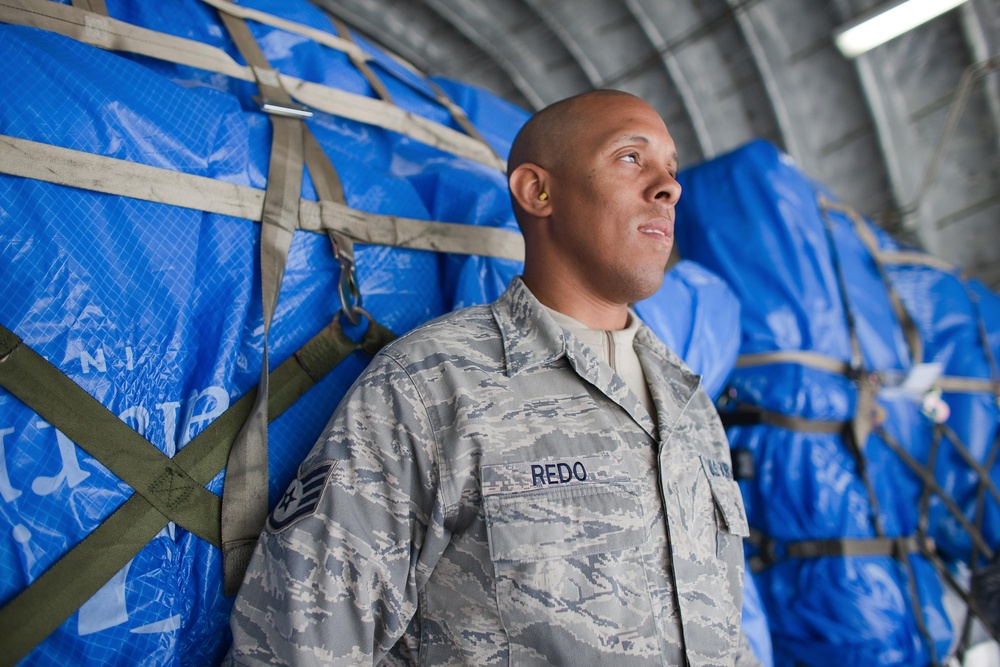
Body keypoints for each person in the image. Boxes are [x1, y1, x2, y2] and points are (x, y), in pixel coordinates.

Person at [227, 89, 758, 666]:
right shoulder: (431, 387)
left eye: (672, 170)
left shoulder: (688, 402)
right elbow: (296, 645)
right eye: (631, 157)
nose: (669, 186)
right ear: (538, 190)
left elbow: (722, 630)